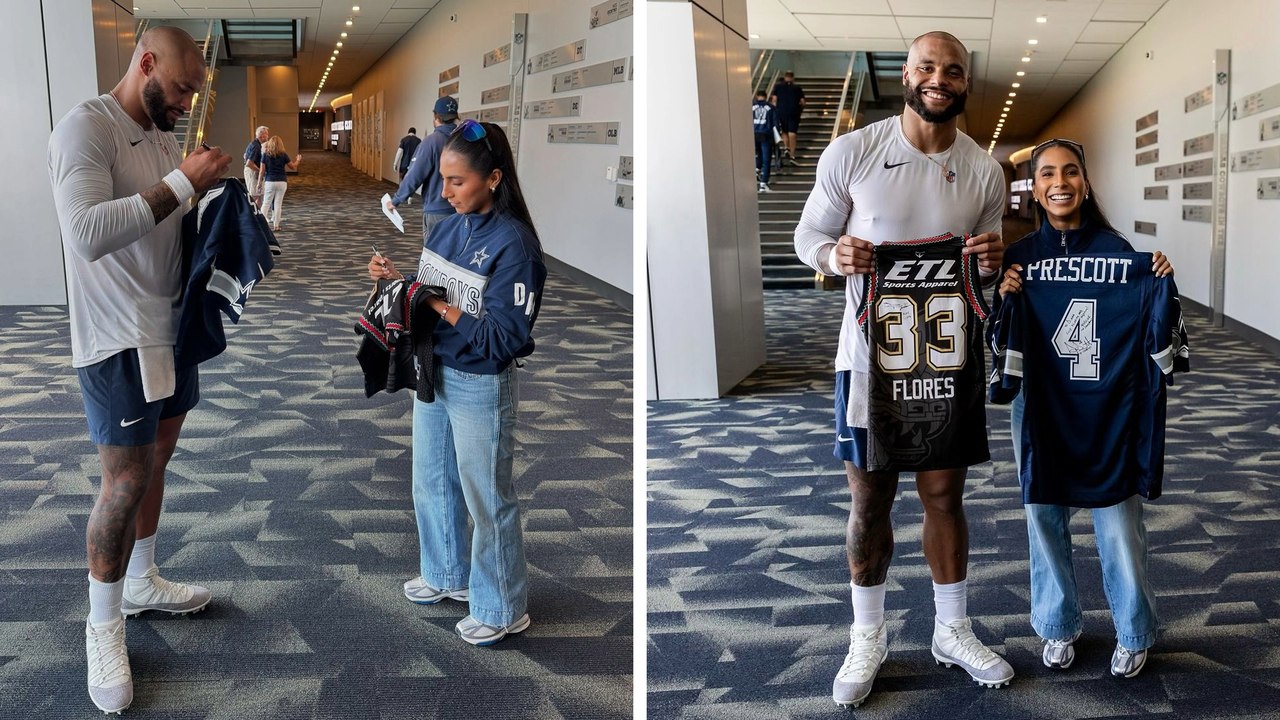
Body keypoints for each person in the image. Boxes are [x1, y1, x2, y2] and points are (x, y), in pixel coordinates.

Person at [793, 31, 1011, 708]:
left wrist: (990, 261)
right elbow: (808, 239)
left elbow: (991, 265)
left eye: (952, 71)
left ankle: (952, 628)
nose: (938, 78)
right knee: (870, 500)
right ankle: (868, 634)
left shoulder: (983, 171)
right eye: (926, 67)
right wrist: (837, 257)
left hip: (948, 363)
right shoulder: (854, 150)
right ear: (908, 75)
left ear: (965, 83)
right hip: (866, 365)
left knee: (946, 498)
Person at [46, 25, 231, 714]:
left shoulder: (160, 132)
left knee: (157, 460)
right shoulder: (83, 130)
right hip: (115, 338)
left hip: (168, 327)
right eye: (182, 88)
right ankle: (103, 625)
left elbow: (161, 221)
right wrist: (184, 180)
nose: (186, 103)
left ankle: (144, 580)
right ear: (145, 62)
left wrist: (218, 221)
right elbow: (88, 234)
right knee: (122, 482)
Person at [993, 138, 1175, 679]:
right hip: (1041, 405)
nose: (1059, 183)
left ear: (1086, 183)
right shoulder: (1020, 257)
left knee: (1118, 519)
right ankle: (1056, 624)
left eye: (1070, 172)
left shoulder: (1122, 255)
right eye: (1047, 173)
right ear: (1036, 187)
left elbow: (1154, 324)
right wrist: (1005, 296)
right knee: (1043, 515)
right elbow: (997, 339)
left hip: (1107, 404)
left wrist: (1156, 275)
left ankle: (1134, 628)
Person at [365, 119, 546, 646]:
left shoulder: (516, 246)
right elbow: (427, 288)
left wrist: (439, 305)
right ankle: (445, 574)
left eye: (456, 182)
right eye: (441, 180)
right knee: (432, 481)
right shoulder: (447, 224)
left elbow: (503, 339)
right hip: (434, 370)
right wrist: (394, 279)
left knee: (487, 498)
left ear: (492, 178)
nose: (443, 192)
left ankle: (502, 606)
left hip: (479, 381)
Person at [385, 97, 459, 242]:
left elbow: (415, 174)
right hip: (463, 208)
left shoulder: (432, 141)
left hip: (437, 208)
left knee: (434, 254)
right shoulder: (464, 139)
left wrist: (397, 200)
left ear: (436, 116)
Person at [259, 135, 302, 231]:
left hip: (270, 181)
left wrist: (258, 183)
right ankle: (276, 226)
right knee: (278, 204)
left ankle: (260, 225)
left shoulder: (265, 155)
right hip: (282, 182)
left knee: (266, 203)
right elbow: (293, 167)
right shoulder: (283, 155)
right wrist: (298, 160)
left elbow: (262, 171)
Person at [770, 71, 805, 164]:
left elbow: (774, 100)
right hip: (794, 113)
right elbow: (802, 102)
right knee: (792, 133)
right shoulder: (797, 88)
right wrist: (800, 110)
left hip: (781, 112)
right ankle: (792, 156)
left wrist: (775, 111)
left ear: (785, 77)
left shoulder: (778, 87)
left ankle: (786, 147)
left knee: (784, 131)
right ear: (793, 78)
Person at [751, 90, 777, 192]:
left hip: (754, 133)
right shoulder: (771, 107)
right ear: (766, 97)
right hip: (766, 134)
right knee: (766, 159)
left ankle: (757, 169)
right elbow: (775, 123)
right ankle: (763, 183)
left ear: (757, 96)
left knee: (759, 154)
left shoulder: (751, 106)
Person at [395, 126, 422, 203]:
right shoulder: (419, 141)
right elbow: (420, 153)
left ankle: (401, 195)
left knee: (402, 179)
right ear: (415, 133)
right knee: (412, 181)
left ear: (408, 132)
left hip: (404, 163)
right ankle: (410, 196)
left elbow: (399, 152)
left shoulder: (404, 140)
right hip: (414, 164)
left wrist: (395, 163)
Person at [243, 125, 268, 207]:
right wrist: (260, 171)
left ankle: (257, 215)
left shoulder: (257, 144)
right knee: (254, 194)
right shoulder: (256, 146)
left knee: (260, 195)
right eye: (266, 134)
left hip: (254, 171)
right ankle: (247, 213)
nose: (268, 136)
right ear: (262, 136)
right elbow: (249, 163)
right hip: (252, 171)